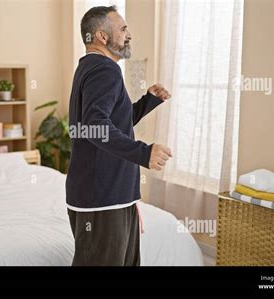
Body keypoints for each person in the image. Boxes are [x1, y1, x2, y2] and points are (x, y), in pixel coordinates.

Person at [66, 5, 172, 266]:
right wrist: (143, 153)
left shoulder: (90, 67)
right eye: (123, 28)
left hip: (109, 196)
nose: (129, 34)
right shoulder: (105, 70)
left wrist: (148, 102)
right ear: (102, 37)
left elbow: (107, 123)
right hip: (104, 199)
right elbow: (94, 126)